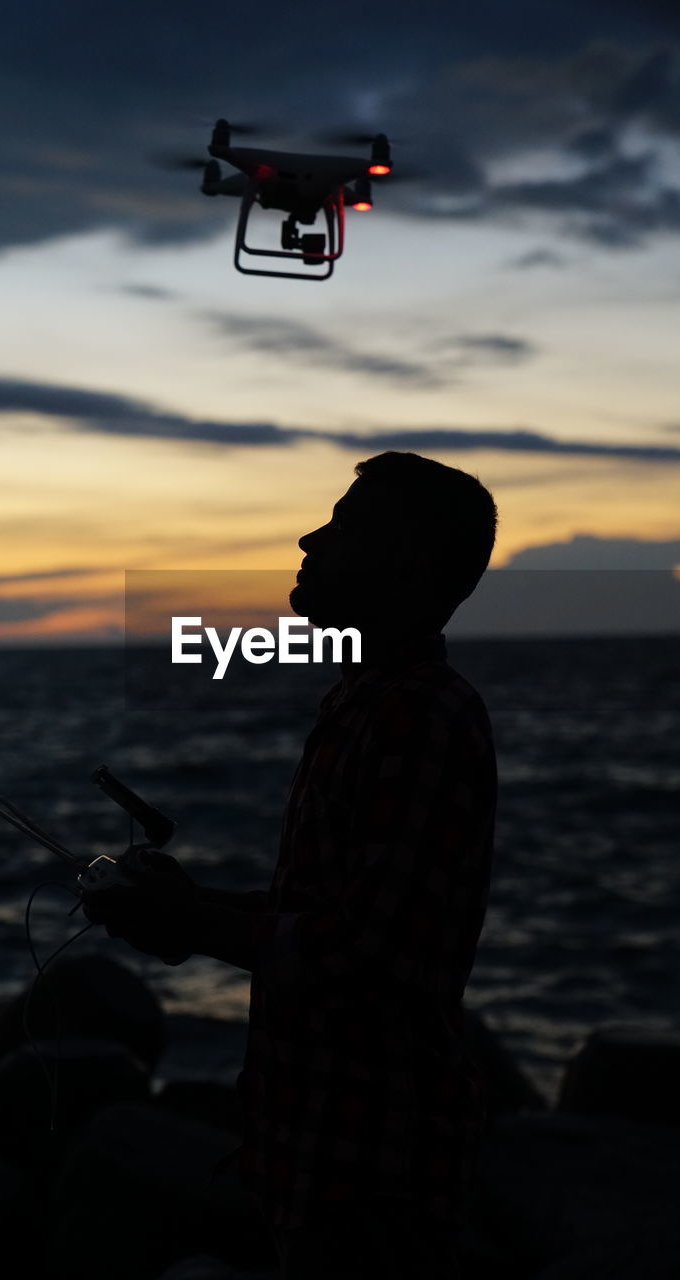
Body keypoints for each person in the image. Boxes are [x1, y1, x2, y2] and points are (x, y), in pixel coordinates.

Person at [83, 451, 498, 1279]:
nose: (308, 539)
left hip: (371, 1168)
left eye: (343, 528)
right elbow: (328, 909)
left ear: (405, 566)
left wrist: (194, 924)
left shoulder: (417, 717)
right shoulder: (366, 702)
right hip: (320, 1150)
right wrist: (195, 905)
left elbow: (372, 955)